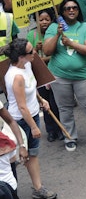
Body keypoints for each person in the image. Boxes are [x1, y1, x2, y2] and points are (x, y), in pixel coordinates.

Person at [43, 0, 86, 152]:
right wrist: (57, 35)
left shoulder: (85, 27)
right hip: (59, 77)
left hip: (82, 76)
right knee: (65, 108)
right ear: (62, 12)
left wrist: (71, 43)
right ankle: (70, 137)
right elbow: (47, 51)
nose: (71, 10)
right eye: (67, 8)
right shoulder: (54, 27)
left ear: (78, 10)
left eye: (74, 7)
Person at [4, 39, 57, 199]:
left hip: (31, 114)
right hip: (21, 121)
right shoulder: (15, 76)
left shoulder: (26, 65)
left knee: (31, 154)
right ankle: (9, 193)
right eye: (30, 51)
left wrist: (41, 100)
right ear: (21, 57)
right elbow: (21, 107)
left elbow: (31, 88)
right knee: (17, 157)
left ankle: (37, 188)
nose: (34, 52)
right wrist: (34, 127)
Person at [26, 8, 63, 142]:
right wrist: (36, 50)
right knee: (45, 103)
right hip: (39, 75)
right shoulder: (32, 35)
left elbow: (53, 54)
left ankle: (60, 129)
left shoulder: (54, 32)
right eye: (40, 20)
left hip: (54, 73)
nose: (44, 22)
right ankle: (51, 130)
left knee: (55, 102)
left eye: (47, 19)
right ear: (36, 21)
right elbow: (30, 57)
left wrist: (44, 57)